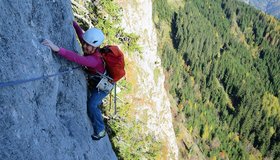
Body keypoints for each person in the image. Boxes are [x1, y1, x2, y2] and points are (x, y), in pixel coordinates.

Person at [42, 21, 110, 140]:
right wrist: (72, 22)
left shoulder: (93, 60)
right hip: (96, 80)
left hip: (103, 86)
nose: (84, 46)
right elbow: (80, 34)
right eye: (85, 43)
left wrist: (57, 49)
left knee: (92, 105)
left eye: (88, 45)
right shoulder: (90, 47)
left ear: (95, 47)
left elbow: (76, 58)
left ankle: (100, 130)